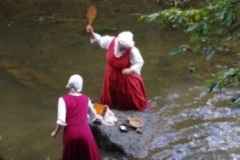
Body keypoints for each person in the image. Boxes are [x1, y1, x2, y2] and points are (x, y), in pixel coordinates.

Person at [86, 25, 148, 111]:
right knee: (111, 97)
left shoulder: (132, 50)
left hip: (125, 77)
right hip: (110, 74)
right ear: (118, 42)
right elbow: (99, 40)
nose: (124, 49)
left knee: (131, 98)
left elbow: (139, 62)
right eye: (122, 47)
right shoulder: (111, 41)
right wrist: (92, 33)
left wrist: (130, 70)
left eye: (126, 48)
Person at [50, 74, 102, 160]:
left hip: (71, 134)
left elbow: (61, 121)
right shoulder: (86, 99)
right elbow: (93, 115)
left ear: (69, 85)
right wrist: (87, 119)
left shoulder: (63, 99)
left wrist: (55, 132)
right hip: (85, 133)